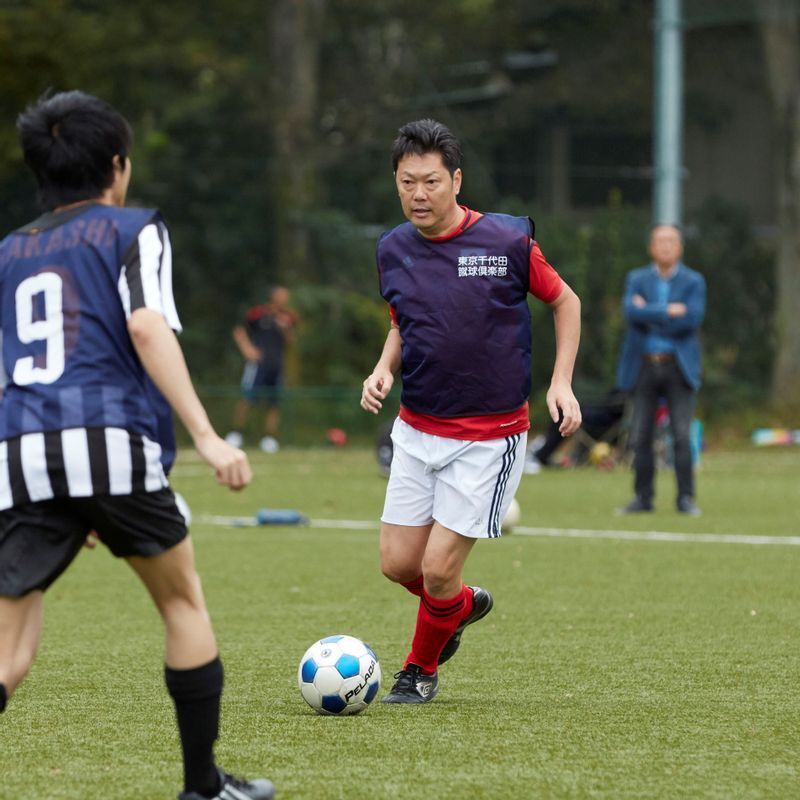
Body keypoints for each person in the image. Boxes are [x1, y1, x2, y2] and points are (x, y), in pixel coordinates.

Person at [0, 91, 274, 800]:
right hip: (111, 445)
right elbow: (148, 329)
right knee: (183, 606)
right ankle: (202, 788)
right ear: (116, 166)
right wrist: (209, 438)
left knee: (8, 654)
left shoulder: (9, 252)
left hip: (21, 453)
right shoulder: (132, 229)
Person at [360, 119, 582, 704]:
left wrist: (561, 383)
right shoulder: (392, 249)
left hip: (490, 436)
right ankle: (458, 607)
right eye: (407, 182)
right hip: (416, 428)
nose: (418, 194)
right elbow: (402, 322)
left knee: (435, 569)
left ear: (456, 180)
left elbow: (565, 301)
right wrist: (384, 368)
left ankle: (419, 669)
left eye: (431, 181)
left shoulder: (506, 241)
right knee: (396, 563)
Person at [616, 224, 706, 516]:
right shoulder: (636, 278)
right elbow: (631, 312)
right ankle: (643, 498)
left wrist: (649, 311)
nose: (665, 246)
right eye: (660, 241)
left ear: (679, 247)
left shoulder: (694, 281)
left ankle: (685, 498)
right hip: (644, 365)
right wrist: (668, 310)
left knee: (681, 435)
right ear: (651, 247)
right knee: (640, 435)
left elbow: (690, 320)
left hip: (678, 367)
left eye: (671, 241)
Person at [225, 286, 297, 453]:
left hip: (277, 365)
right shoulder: (258, 314)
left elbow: (291, 342)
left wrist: (285, 328)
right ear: (273, 297)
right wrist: (247, 348)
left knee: (274, 403)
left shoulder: (288, 317)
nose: (284, 300)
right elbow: (239, 329)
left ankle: (269, 438)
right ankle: (236, 434)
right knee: (248, 398)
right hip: (258, 364)